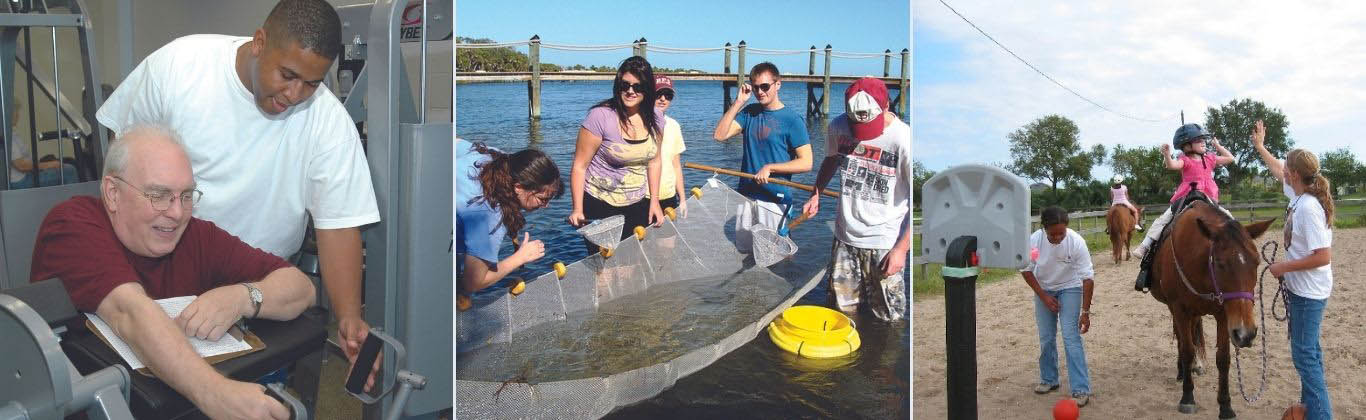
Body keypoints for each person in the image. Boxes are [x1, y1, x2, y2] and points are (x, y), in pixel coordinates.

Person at [94, 0, 380, 374]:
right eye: (287, 74)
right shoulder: (180, 67)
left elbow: (339, 224)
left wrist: (348, 318)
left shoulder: (328, 121)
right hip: (159, 280)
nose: (295, 94)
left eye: (311, 82)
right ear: (260, 42)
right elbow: (124, 169)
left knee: (255, 391)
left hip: (259, 293)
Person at [30, 124, 316, 420]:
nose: (177, 213)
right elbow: (130, 312)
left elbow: (301, 287)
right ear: (113, 194)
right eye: (159, 195)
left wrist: (242, 297)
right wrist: (219, 396)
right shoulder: (72, 225)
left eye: (186, 196)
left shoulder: (196, 235)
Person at [802, 77, 910, 322]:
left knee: (888, 319)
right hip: (845, 237)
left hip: (884, 242)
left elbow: (917, 197)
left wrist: (901, 249)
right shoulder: (839, 126)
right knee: (841, 314)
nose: (862, 134)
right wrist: (816, 192)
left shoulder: (903, 139)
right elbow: (831, 159)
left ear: (885, 107)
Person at [1252, 119, 1335, 419]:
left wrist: (1284, 267)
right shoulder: (1299, 196)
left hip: (1308, 292)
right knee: (1309, 353)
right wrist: (1260, 146)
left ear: (1295, 174)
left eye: (1287, 166)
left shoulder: (1309, 208)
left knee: (1304, 358)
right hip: (1305, 289)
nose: (1282, 170)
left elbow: (1323, 256)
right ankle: (1312, 411)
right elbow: (1276, 168)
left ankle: (1320, 415)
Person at [567, 56, 666, 251]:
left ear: (647, 89)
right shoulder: (600, 116)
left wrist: (654, 201)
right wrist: (577, 208)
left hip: (637, 203)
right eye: (625, 85)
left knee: (631, 265)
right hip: (599, 203)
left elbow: (655, 162)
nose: (630, 91)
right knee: (604, 271)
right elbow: (580, 166)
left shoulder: (657, 117)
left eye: (637, 87)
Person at [712, 62, 813, 248]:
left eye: (765, 86)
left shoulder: (792, 120)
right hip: (746, 196)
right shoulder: (749, 113)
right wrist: (739, 102)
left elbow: (806, 162)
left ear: (778, 84)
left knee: (776, 254)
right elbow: (719, 135)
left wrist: (770, 168)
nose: (760, 92)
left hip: (775, 200)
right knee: (744, 251)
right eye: (756, 87)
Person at [1132, 123, 1235, 291]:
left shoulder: (1209, 158)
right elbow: (1171, 166)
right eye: (1199, 140)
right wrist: (1166, 154)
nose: (1203, 142)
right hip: (1187, 195)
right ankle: (1145, 245)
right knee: (1164, 219)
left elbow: (1230, 158)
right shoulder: (1184, 159)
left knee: (1228, 216)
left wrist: (1218, 147)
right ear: (1187, 145)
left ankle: (1236, 244)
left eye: (1204, 140)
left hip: (1207, 196)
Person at [456, 138, 562, 293]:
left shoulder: (495, 157)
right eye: (542, 199)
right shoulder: (489, 215)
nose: (546, 206)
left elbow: (455, 141)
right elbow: (472, 283)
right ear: (518, 187)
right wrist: (520, 258)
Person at [1020, 206, 1094, 408]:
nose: (1058, 237)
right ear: (1044, 229)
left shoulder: (1076, 242)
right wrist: (1043, 296)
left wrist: (1085, 312)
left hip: (1070, 287)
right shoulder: (1035, 241)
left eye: (1062, 232)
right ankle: (1049, 379)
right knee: (1046, 337)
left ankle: (1080, 389)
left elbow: (1087, 279)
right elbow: (1026, 269)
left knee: (1070, 337)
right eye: (1053, 234)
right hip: (1044, 288)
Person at [7, 103, 78, 189]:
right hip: (22, 181)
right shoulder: (8, 136)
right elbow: (21, 166)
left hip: (27, 175)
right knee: (69, 170)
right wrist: (49, 165)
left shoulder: (11, 133)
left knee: (68, 161)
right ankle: (75, 201)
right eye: (15, 112)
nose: (18, 115)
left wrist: (46, 164)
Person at [652, 75, 687, 217]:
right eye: (658, 94)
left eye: (668, 95)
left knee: (669, 238)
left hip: (668, 195)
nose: (663, 99)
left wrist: (683, 198)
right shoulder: (638, 124)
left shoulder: (674, 126)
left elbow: (676, 165)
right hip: (643, 197)